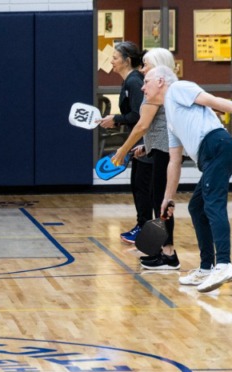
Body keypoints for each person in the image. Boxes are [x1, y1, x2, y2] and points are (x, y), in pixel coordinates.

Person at [143, 65, 232, 293]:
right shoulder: (171, 117)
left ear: (161, 81)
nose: (143, 87)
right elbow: (174, 161)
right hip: (209, 155)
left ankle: (224, 263)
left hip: (217, 145)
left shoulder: (178, 89)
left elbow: (215, 101)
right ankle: (206, 267)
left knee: (213, 203)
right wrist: (168, 199)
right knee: (197, 207)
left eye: (146, 81)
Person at [111, 48, 179, 271]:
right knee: (159, 199)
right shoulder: (163, 88)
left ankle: (169, 254)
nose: (142, 69)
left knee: (162, 201)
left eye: (146, 65)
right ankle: (163, 250)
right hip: (158, 149)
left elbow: (142, 125)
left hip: (165, 152)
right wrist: (145, 147)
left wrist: (123, 150)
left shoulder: (156, 90)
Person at [99, 41, 154, 245]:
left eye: (115, 57)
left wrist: (116, 118)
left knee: (142, 187)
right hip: (137, 141)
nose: (111, 61)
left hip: (145, 142)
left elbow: (140, 115)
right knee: (138, 186)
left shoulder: (134, 81)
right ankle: (143, 227)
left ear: (127, 60)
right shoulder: (129, 81)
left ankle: (145, 229)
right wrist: (115, 121)